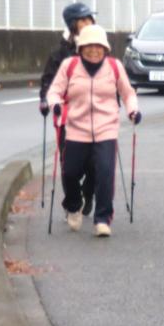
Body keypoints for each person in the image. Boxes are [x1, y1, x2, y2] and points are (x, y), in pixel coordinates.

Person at [47, 24, 140, 238]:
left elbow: (128, 94)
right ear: (80, 48)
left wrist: (133, 110)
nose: (93, 50)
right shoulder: (70, 66)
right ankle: (73, 205)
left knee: (105, 173)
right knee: (70, 173)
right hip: (76, 129)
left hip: (106, 129)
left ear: (105, 48)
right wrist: (56, 105)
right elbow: (55, 91)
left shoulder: (114, 67)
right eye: (88, 46)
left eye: (98, 46)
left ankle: (102, 219)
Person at [39, 2, 96, 215]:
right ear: (72, 24)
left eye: (89, 19)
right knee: (68, 163)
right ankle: (73, 200)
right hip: (67, 115)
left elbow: (110, 74)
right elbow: (48, 81)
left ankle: (89, 193)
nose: (88, 23)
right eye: (83, 20)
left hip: (95, 113)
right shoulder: (59, 53)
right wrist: (45, 100)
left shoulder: (98, 47)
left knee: (96, 162)